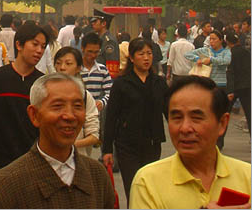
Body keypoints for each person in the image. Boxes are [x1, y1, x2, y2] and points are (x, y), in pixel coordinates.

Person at [0, 73, 116, 209]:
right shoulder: (8, 184)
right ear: (34, 115)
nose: (70, 115)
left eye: (77, 106)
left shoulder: (97, 175)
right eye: (58, 106)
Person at [130, 76, 251, 209]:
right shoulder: (147, 181)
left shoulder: (247, 177)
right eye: (177, 117)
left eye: (196, 118)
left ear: (222, 123)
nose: (185, 128)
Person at [0, 21, 48, 178]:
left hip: (33, 160)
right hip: (0, 160)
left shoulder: (43, 84)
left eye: (43, 46)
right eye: (35, 44)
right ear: (19, 45)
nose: (39, 51)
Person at [103, 37, 168, 202]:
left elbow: (170, 112)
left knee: (150, 189)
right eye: (141, 54)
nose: (146, 58)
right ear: (131, 58)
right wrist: (107, 149)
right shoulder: (121, 83)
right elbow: (111, 116)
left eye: (149, 53)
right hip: (127, 145)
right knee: (133, 188)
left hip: (152, 143)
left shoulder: (159, 83)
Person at [54, 46, 100, 156]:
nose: (62, 67)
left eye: (68, 64)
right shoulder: (46, 93)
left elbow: (93, 136)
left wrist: (70, 145)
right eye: (58, 63)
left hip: (78, 158)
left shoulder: (84, 96)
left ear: (78, 68)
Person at [79, 32, 112, 157]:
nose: (93, 55)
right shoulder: (76, 69)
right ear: (82, 48)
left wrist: (101, 102)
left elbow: (110, 92)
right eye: (89, 52)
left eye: (96, 52)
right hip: (77, 114)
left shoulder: (102, 70)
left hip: (93, 116)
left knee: (87, 151)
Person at [226, 32, 251, 134]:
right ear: (238, 41)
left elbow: (230, 72)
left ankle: (219, 141)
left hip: (235, 87)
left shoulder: (230, 53)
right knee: (249, 114)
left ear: (228, 42)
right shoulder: (247, 52)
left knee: (226, 113)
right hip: (247, 86)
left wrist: (230, 90)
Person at [90, 9, 120, 79]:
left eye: (95, 21)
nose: (92, 23)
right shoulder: (99, 38)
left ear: (103, 24)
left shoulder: (109, 41)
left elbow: (112, 67)